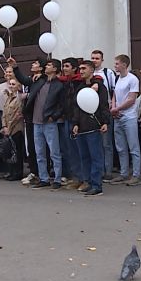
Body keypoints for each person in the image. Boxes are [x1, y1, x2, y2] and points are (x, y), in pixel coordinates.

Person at [9, 56, 65, 190]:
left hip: (49, 122)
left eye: (49, 65)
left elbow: (62, 105)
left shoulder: (59, 85)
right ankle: (43, 178)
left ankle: (57, 179)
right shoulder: (39, 81)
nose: (46, 67)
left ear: (55, 69)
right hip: (36, 122)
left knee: (54, 152)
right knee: (39, 152)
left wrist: (54, 116)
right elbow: (24, 80)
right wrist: (15, 67)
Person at [73, 60, 111, 196]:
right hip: (81, 127)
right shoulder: (80, 88)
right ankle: (87, 181)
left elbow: (103, 106)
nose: (81, 71)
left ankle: (97, 185)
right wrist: (75, 123)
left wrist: (105, 121)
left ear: (91, 70)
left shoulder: (100, 87)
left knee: (96, 157)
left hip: (94, 127)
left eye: (84, 68)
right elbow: (76, 107)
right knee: (84, 157)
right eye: (80, 69)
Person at [110, 54, 141, 186]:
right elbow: (114, 95)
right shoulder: (118, 79)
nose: (115, 66)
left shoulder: (132, 79)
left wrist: (118, 108)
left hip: (129, 117)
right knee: (121, 147)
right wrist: (113, 107)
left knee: (133, 147)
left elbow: (131, 98)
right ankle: (123, 173)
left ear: (124, 64)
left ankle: (136, 175)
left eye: (117, 63)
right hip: (118, 116)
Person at [91, 50, 117, 180]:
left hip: (104, 110)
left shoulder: (108, 73)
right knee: (96, 144)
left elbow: (114, 90)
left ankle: (108, 170)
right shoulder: (89, 75)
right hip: (91, 112)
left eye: (97, 58)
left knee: (107, 143)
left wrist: (112, 106)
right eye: (93, 58)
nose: (95, 60)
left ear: (102, 60)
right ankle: (98, 170)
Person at [58, 57, 83, 188]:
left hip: (77, 120)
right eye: (63, 66)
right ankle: (76, 177)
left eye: (67, 66)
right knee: (70, 150)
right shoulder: (64, 82)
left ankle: (83, 178)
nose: (64, 69)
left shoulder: (80, 81)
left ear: (74, 68)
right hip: (67, 118)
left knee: (80, 150)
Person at [1, 77, 25, 181]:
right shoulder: (8, 97)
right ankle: (10, 171)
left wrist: (9, 127)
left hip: (16, 128)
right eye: (10, 84)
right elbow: (4, 114)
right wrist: (4, 126)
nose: (11, 86)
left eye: (13, 84)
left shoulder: (19, 98)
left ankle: (18, 172)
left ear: (18, 86)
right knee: (9, 151)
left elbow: (18, 114)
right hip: (8, 128)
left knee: (17, 151)